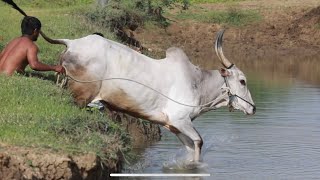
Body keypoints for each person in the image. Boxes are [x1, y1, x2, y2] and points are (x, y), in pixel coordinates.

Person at [0, 16, 65, 76]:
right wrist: (54, 67)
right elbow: (34, 65)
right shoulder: (31, 46)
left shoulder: (13, 41)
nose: (38, 34)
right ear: (35, 31)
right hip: (8, 77)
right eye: (39, 31)